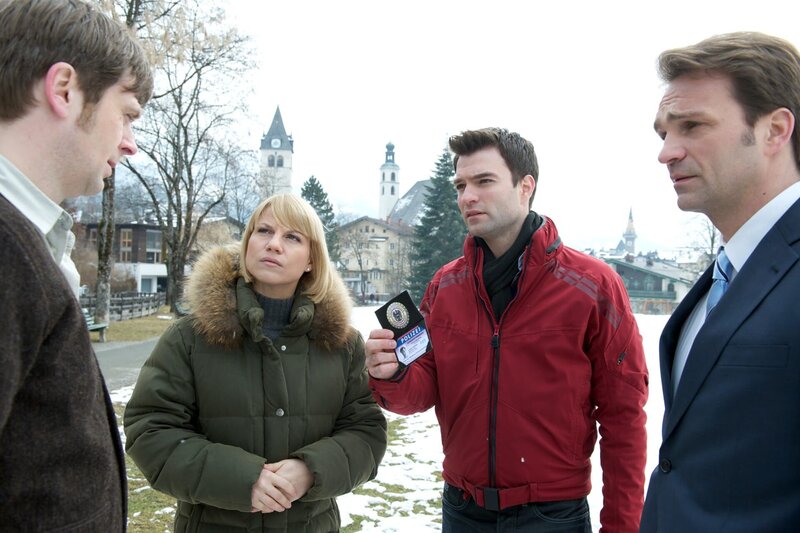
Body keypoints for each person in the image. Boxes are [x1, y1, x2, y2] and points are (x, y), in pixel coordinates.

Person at [367, 128, 648, 532]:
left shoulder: (592, 286)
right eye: (461, 185)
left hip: (552, 515)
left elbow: (624, 417)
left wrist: (623, 525)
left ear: (525, 187)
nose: (467, 196)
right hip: (463, 510)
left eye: (484, 181)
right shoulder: (445, 286)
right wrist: (392, 374)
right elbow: (423, 390)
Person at [124, 194, 388, 532]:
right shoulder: (190, 337)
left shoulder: (342, 344)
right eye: (263, 231)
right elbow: (150, 430)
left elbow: (366, 434)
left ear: (311, 260)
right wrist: (242, 480)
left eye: (292, 237)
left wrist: (311, 470)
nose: (273, 244)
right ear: (247, 243)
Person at [0, 0, 152, 530]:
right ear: (64, 89)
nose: (130, 144)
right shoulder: (6, 248)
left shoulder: (28, 240)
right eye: (127, 113)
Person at [641, 32, 800, 532]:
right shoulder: (723, 275)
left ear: (775, 130)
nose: (667, 152)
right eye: (664, 132)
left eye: (692, 126)